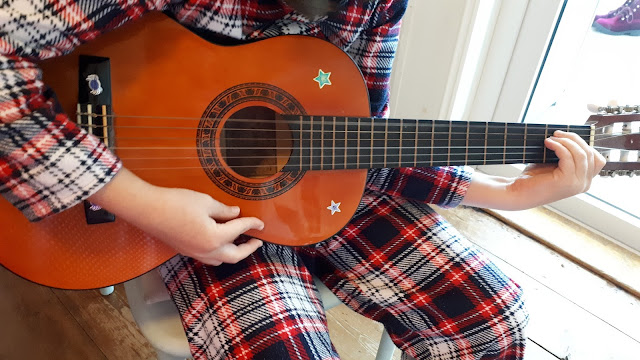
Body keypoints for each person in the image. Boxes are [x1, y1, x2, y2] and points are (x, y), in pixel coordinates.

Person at [0, 1, 605, 359]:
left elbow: (360, 131)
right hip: (173, 207)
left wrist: (505, 194)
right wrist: (141, 201)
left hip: (312, 188)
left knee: (492, 318)